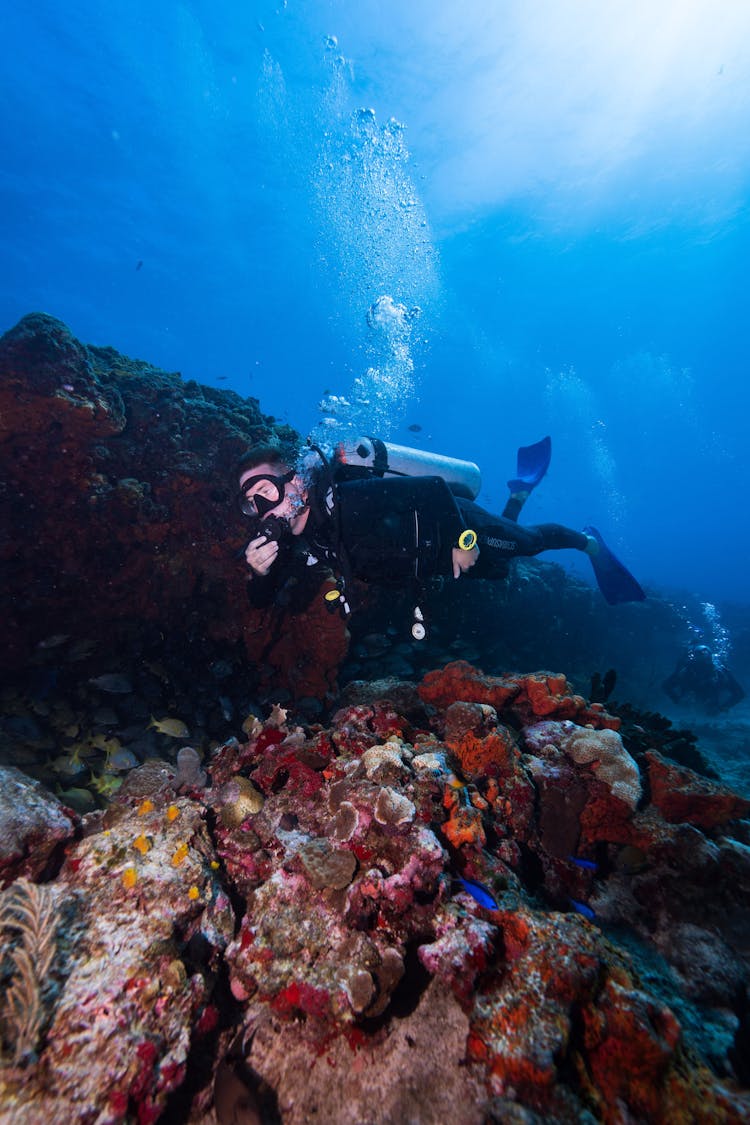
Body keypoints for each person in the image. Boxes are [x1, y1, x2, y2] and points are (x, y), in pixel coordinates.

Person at [236, 437, 645, 633]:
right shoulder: (295, 542)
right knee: (500, 571)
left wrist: (463, 540)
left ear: (296, 483)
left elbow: (431, 487)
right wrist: (258, 573)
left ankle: (589, 542)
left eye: (267, 491)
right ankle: (517, 495)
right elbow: (261, 601)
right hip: (433, 561)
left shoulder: (350, 499)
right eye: (251, 503)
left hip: (456, 525)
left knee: (527, 545)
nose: (263, 509)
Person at [663, 643, 745, 715]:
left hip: (712, 702)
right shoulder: (687, 671)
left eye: (705, 662)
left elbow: (739, 694)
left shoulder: (720, 672)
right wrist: (678, 700)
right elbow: (666, 686)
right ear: (694, 660)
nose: (703, 667)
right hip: (693, 702)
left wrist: (722, 708)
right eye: (700, 662)